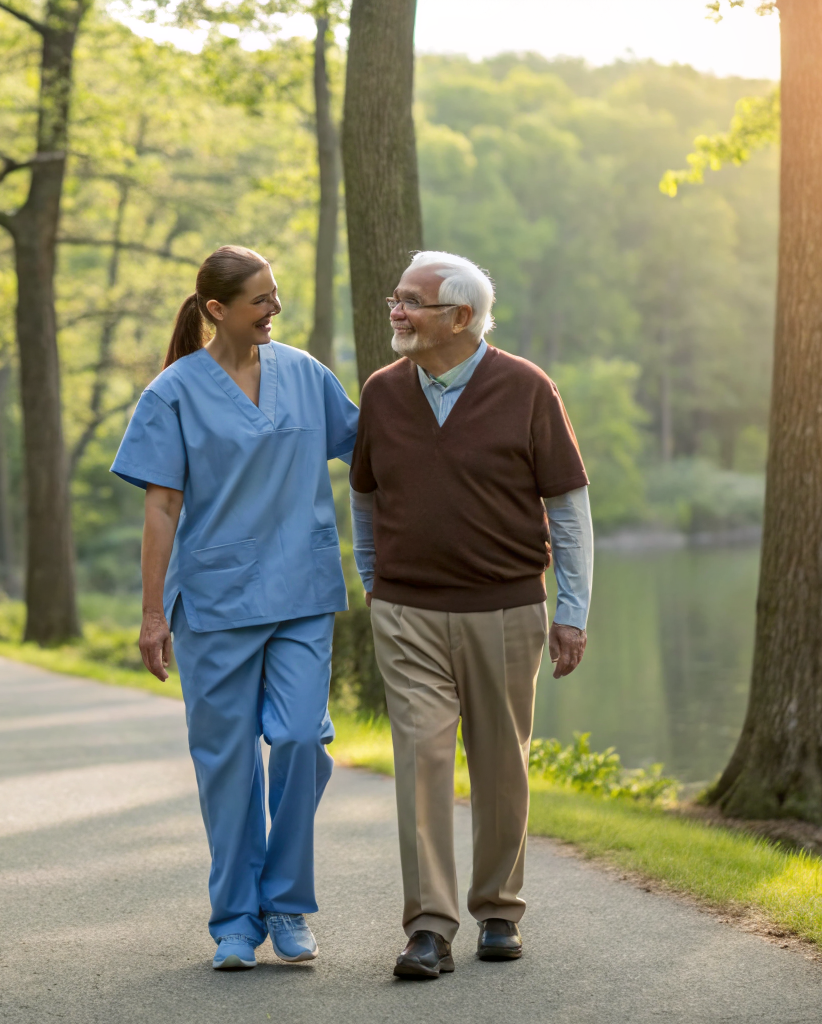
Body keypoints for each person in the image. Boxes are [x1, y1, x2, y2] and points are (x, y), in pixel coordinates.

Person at [111, 245, 359, 971]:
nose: (274, 308)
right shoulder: (172, 393)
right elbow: (161, 508)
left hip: (302, 592)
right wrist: (152, 615)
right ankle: (235, 921)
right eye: (259, 299)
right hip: (215, 600)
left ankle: (286, 901)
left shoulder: (307, 376)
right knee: (225, 765)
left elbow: (375, 450)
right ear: (216, 311)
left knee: (300, 741)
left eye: (275, 294)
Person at [349, 251, 593, 979]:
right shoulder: (383, 392)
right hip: (407, 612)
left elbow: (569, 509)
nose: (396, 311)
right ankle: (427, 927)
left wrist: (572, 610)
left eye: (411, 301)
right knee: (420, 763)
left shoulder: (525, 388)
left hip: (504, 607)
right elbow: (364, 497)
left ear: (459, 316)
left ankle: (497, 910)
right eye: (395, 298)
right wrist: (373, 580)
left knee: (499, 764)